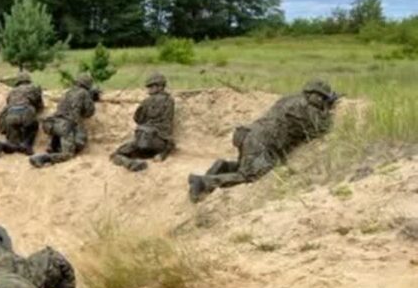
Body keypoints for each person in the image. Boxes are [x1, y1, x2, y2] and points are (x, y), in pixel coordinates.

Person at [188, 79, 338, 202]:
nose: (321, 100)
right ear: (314, 95)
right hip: (262, 141)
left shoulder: (290, 99)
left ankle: (222, 167)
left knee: (246, 167)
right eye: (322, 97)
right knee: (250, 175)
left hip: (250, 134)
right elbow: (322, 128)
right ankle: (203, 182)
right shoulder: (305, 106)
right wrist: (327, 109)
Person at [111, 72, 176, 172]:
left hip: (143, 142)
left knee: (116, 154)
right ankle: (161, 155)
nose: (149, 89)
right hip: (161, 144)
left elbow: (137, 119)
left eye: (151, 87)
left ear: (159, 87)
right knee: (167, 144)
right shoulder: (170, 101)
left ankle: (130, 164)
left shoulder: (146, 102)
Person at [30, 73, 97, 168]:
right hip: (64, 126)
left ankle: (53, 147)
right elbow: (89, 112)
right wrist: (91, 99)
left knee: (64, 135)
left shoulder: (68, 92)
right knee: (68, 154)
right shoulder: (84, 93)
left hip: (52, 123)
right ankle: (43, 158)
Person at [0, 71, 44, 158]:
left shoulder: (12, 91)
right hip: (26, 112)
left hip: (11, 115)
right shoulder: (34, 88)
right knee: (34, 126)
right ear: (28, 80)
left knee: (13, 144)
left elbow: (9, 103)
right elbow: (40, 106)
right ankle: (27, 145)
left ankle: (1, 145)